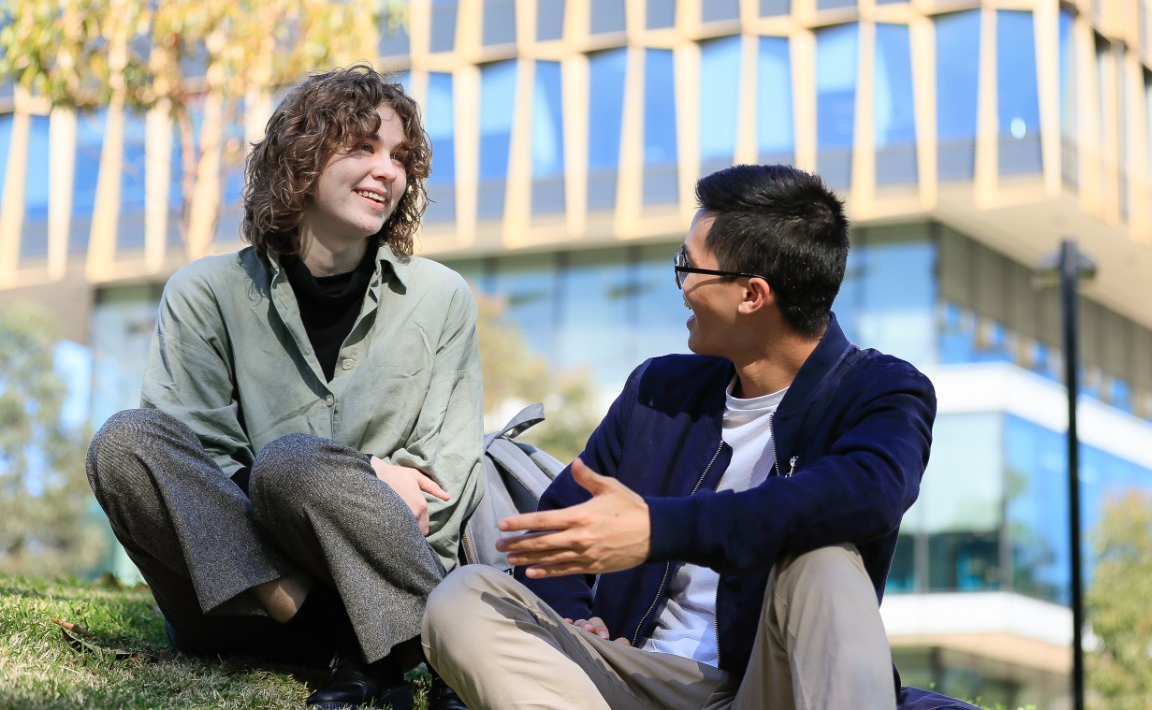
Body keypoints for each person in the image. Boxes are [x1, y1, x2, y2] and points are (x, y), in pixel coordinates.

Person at [421, 163, 937, 709]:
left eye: (690, 266)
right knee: (464, 598)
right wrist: (576, 616)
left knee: (822, 560)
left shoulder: (882, 391)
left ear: (752, 295)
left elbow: (865, 494)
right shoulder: (657, 391)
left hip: (771, 689)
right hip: (635, 676)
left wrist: (655, 528)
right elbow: (550, 537)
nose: (683, 285)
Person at [86, 64, 482, 710]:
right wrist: (369, 474)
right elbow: (200, 464)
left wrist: (351, 484)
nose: (387, 170)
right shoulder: (204, 293)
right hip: (238, 605)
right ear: (301, 156)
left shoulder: (442, 299)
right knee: (124, 441)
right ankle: (326, 627)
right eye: (362, 147)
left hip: (389, 579)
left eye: (400, 157)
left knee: (290, 463)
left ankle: (392, 637)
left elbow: (446, 475)